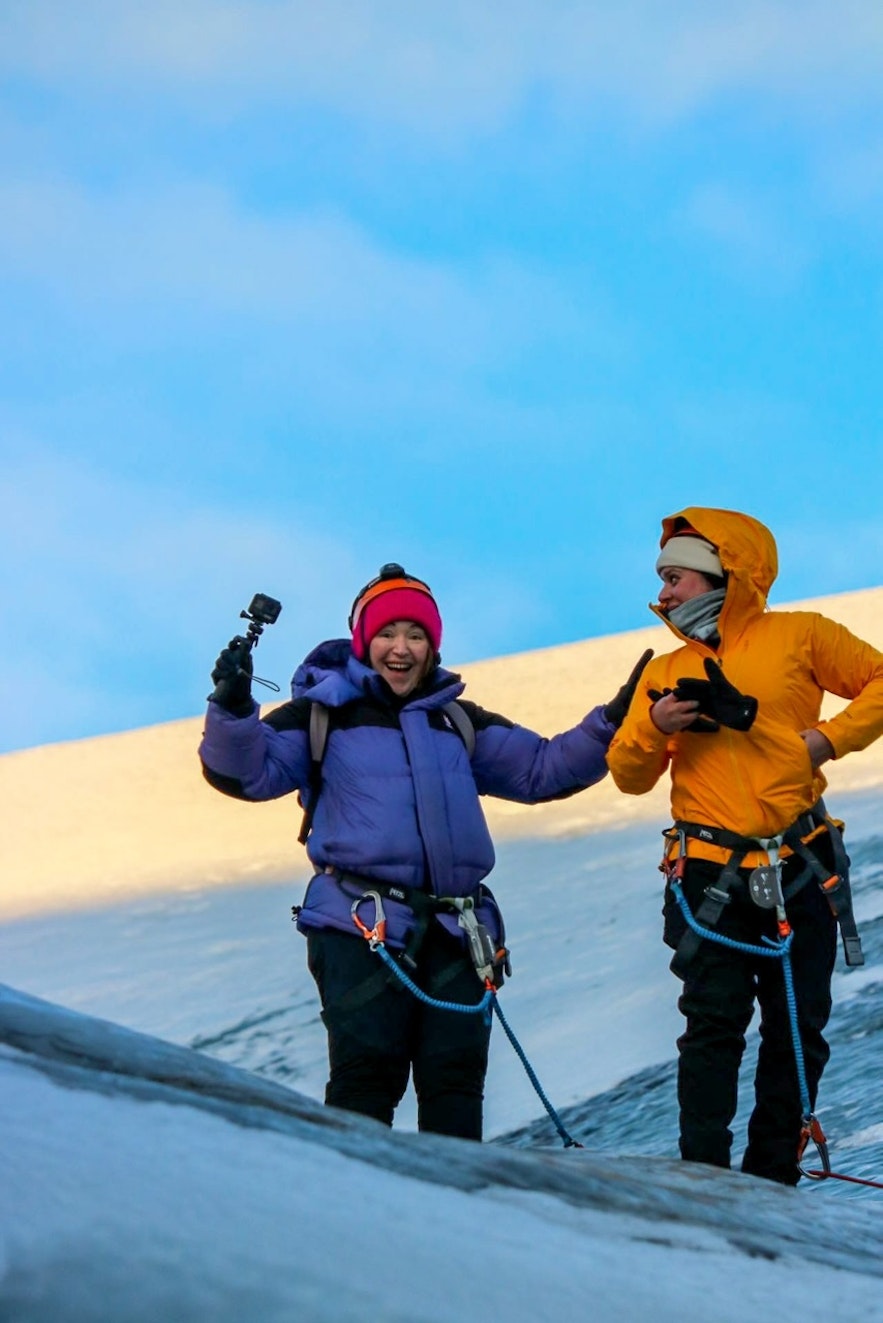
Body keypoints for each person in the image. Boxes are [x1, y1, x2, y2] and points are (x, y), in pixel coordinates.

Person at [199, 562, 651, 1141]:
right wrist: (233, 710)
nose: (402, 647)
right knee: (366, 1080)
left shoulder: (456, 721)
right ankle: (360, 1217)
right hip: (358, 927)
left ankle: (455, 1219)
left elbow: (542, 771)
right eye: (388, 633)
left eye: (416, 635)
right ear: (364, 641)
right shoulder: (321, 715)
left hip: (456, 933)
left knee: (456, 1085)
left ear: (432, 645)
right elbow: (245, 772)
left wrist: (614, 720)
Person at [607, 507, 883, 1185]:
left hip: (801, 862)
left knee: (797, 1027)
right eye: (662, 578)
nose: (663, 592)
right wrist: (653, 724)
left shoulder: (800, 635)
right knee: (710, 1025)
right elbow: (627, 773)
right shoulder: (663, 672)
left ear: (720, 574)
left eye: (674, 576)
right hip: (706, 874)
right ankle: (703, 1174)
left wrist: (820, 741)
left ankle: (770, 1175)